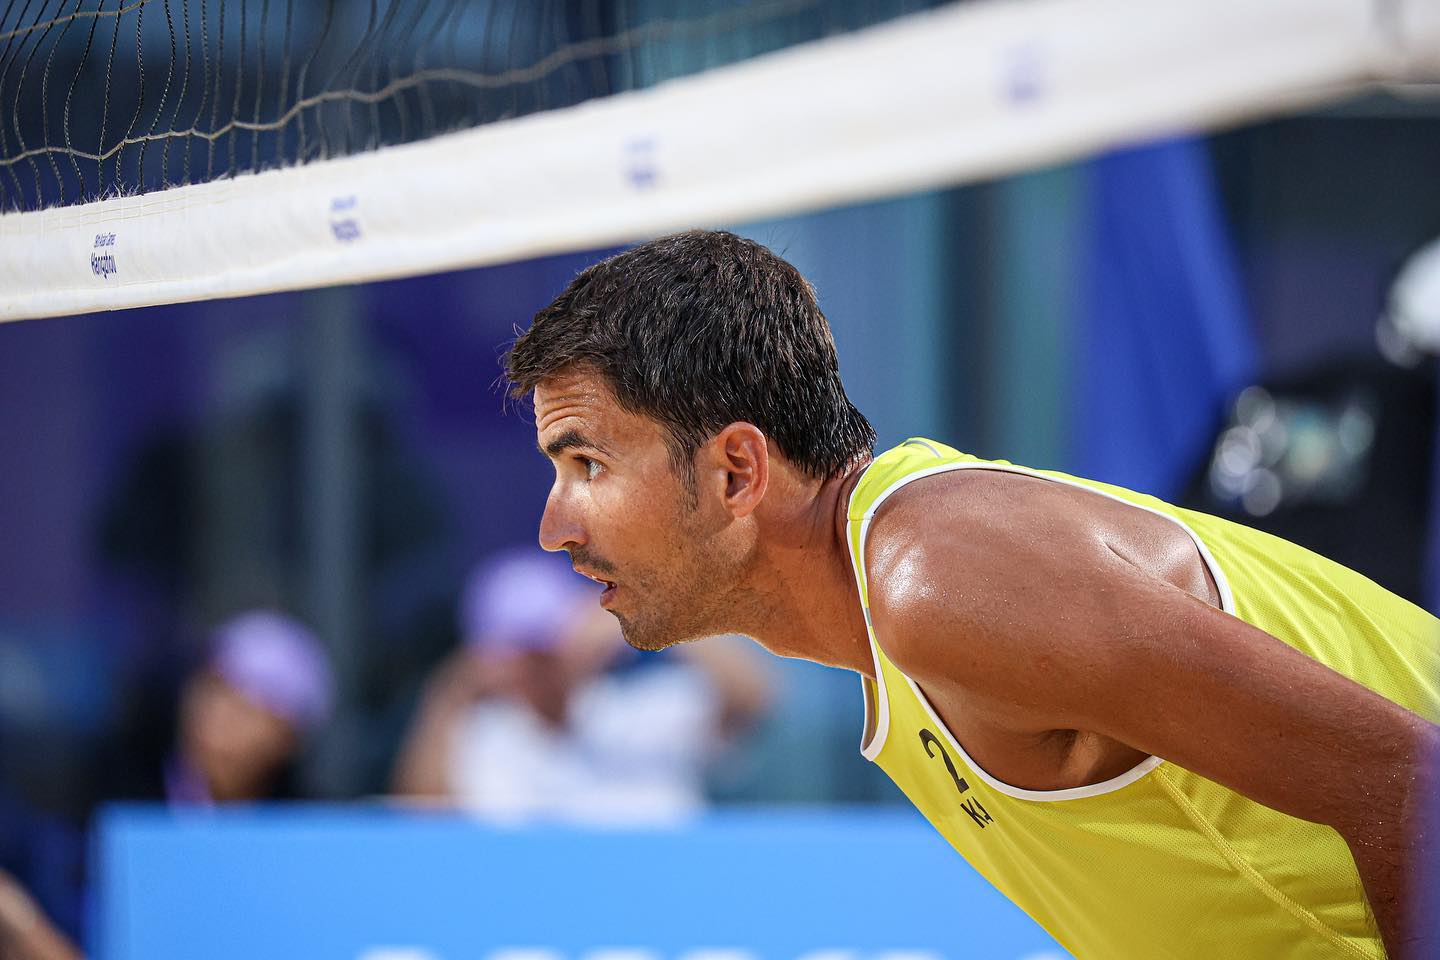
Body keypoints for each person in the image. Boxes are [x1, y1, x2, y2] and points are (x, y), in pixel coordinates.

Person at [502, 230, 1439, 959]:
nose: (553, 526)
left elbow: (1411, 787)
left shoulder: (938, 577)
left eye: (587, 465)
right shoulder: (903, 601)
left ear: (737, 472)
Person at [0, 611, 333, 960]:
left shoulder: (306, 830)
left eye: (253, 707)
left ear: (288, 737)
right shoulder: (108, 789)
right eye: (215, 689)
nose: (221, 715)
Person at [391, 549, 769, 821]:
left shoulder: (639, 709)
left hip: (662, 898)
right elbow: (421, 826)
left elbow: (753, 696)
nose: (541, 666)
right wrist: (452, 691)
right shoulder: (483, 737)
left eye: (548, 646)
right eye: (522, 652)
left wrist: (650, 621)